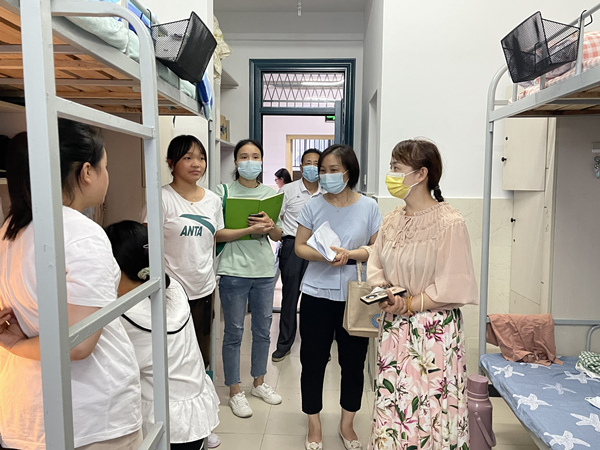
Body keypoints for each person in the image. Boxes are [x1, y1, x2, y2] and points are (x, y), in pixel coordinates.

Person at [0, 120, 143, 449]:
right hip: (89, 415)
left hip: (29, 409)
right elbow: (77, 344)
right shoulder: (81, 233)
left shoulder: (11, 229)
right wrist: (14, 344)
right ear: (87, 172)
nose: (108, 176)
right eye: (105, 167)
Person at [367, 139, 478, 450]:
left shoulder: (449, 223)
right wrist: (386, 294)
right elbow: (376, 265)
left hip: (433, 333)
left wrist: (411, 303)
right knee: (395, 406)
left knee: (430, 408)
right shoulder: (392, 220)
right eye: (391, 167)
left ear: (421, 174)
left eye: (396, 168)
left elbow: (454, 283)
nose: (391, 174)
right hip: (394, 328)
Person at [295, 144, 382, 450]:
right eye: (323, 170)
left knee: (353, 362)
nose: (326, 175)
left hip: (355, 294)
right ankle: (314, 423)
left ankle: (347, 424)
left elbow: (377, 249)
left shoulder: (369, 207)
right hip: (316, 293)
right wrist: (324, 256)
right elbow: (299, 247)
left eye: (334, 170)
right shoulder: (313, 205)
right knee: (312, 361)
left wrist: (351, 254)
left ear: (349, 172)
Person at [105, 220, 220, 450]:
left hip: (164, 421)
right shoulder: (173, 289)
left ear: (114, 267)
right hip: (194, 416)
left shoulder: (123, 315)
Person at [143, 134, 222, 448]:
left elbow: (216, 235)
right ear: (171, 163)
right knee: (172, 361)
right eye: (188, 157)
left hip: (204, 288)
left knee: (200, 358)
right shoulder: (161, 198)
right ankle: (170, 423)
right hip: (170, 294)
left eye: (200, 157)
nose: (196, 164)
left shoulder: (213, 200)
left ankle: (201, 422)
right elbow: (147, 242)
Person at [215, 139, 283, 419]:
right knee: (233, 332)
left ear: (262, 161)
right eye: (244, 156)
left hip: (265, 271)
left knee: (263, 331)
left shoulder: (269, 194)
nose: (250, 161)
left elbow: (278, 235)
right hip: (233, 271)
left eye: (255, 156)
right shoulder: (223, 192)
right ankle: (234, 390)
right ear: (236, 162)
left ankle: (259, 382)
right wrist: (247, 230)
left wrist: (270, 225)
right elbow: (217, 233)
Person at [272, 148, 323, 362]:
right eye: (307, 163)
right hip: (292, 246)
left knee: (317, 299)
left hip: (319, 248)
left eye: (316, 163)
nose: (312, 167)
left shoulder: (328, 192)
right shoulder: (288, 190)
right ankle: (284, 344)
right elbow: (276, 216)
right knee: (290, 297)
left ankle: (318, 345)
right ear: (301, 167)